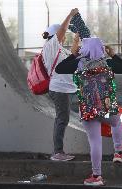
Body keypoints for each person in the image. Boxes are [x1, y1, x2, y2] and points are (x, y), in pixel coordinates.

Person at [56, 36, 122, 186]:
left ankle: (97, 175)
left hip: (88, 108)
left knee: (95, 142)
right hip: (107, 106)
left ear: (84, 49)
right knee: (116, 124)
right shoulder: (108, 62)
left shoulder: (79, 63)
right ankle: (118, 152)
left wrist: (74, 54)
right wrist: (113, 55)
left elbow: (59, 69)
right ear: (102, 48)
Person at [41, 8, 79, 161]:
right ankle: (57, 152)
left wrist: (76, 40)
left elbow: (73, 55)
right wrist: (70, 15)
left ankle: (58, 151)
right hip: (59, 88)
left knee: (63, 118)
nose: (64, 37)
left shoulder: (60, 49)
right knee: (62, 119)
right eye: (62, 35)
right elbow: (62, 30)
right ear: (56, 35)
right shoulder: (51, 46)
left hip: (66, 88)